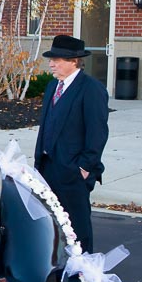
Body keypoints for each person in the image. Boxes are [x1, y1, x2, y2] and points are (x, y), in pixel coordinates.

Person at [33, 35, 109, 253]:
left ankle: (81, 271)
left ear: (74, 61)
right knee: (50, 224)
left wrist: (85, 167)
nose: (51, 64)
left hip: (73, 171)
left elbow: (98, 132)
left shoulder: (91, 89)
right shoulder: (52, 87)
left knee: (78, 226)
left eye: (57, 59)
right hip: (47, 168)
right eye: (51, 59)